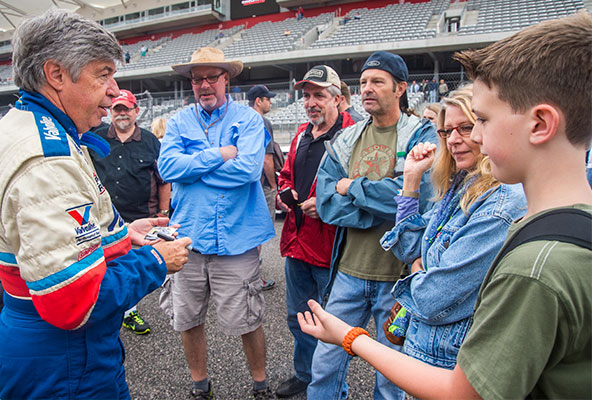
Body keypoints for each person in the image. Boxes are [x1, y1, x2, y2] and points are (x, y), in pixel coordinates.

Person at [299, 12, 591, 400]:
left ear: (539, 124)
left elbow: (435, 307)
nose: (460, 141)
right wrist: (407, 211)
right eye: (446, 131)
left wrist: (352, 335)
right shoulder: (480, 198)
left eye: (478, 122)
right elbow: (410, 246)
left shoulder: (525, 254)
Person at [0, 9, 190, 399]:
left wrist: (121, 236)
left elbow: (53, 240)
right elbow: (72, 301)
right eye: (102, 73)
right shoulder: (48, 160)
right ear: (55, 75)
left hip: (41, 347)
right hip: (64, 360)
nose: (114, 90)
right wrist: (156, 261)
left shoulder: (28, 126)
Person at [311, 51, 438, 400]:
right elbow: (326, 203)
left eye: (377, 81)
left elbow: (419, 195)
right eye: (363, 82)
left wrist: (352, 187)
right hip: (350, 272)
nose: (367, 88)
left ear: (400, 88)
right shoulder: (346, 139)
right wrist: (385, 204)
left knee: (391, 377)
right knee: (324, 366)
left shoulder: (420, 134)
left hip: (396, 277)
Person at [379, 85, 526, 374]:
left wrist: (417, 273)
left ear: (488, 127)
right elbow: (409, 249)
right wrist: (410, 181)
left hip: (452, 361)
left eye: (466, 127)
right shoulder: (461, 188)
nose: (453, 140)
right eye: (447, 132)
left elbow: (432, 297)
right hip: (432, 352)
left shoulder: (500, 204)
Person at [158, 47, 275, 400]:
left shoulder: (249, 120)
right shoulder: (179, 121)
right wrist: (218, 155)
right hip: (189, 239)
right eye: (197, 79)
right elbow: (167, 169)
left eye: (212, 77)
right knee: (187, 317)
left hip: (236, 240)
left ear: (227, 79)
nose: (204, 84)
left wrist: (193, 167)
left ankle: (260, 384)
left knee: (248, 318)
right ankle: (200, 385)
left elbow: (248, 171)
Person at [275, 65, 355, 398]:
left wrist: (323, 204)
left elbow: (360, 189)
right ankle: (305, 376)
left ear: (337, 99)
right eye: (307, 96)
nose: (311, 102)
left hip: (332, 248)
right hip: (297, 243)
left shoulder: (354, 135)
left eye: (319, 95)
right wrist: (285, 192)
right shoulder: (302, 134)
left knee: (331, 325)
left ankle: (334, 389)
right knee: (299, 318)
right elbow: (286, 175)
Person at [90, 89, 172, 335]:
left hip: (141, 216)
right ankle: (114, 312)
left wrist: (163, 210)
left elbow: (163, 180)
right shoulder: (95, 137)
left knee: (133, 266)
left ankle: (129, 310)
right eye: (117, 109)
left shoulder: (149, 140)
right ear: (111, 112)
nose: (122, 113)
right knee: (103, 267)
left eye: (127, 108)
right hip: (103, 219)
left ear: (136, 111)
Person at [247, 84, 278, 291]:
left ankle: (245, 274)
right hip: (260, 185)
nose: (270, 102)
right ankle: (253, 278)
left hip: (245, 186)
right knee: (258, 232)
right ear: (259, 101)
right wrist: (274, 186)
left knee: (247, 230)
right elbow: (267, 159)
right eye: (268, 99)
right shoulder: (261, 121)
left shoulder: (241, 119)